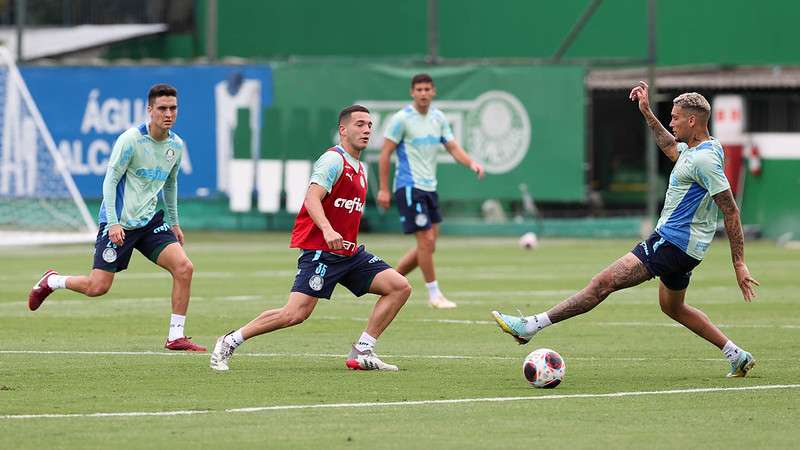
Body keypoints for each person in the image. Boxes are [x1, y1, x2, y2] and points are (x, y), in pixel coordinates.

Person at [492, 82, 760, 378]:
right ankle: (736, 354)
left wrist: (738, 263)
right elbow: (671, 147)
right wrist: (646, 112)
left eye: (675, 117)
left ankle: (531, 326)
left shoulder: (705, 160)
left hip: (672, 243)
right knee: (673, 308)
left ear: (692, 120)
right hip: (686, 248)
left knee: (602, 283)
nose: (671, 122)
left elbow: (731, 209)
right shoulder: (704, 149)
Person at [210, 105, 412, 372]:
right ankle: (229, 341)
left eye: (370, 125)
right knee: (295, 314)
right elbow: (311, 197)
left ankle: (363, 350)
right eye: (360, 124)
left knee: (399, 287)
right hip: (322, 251)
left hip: (349, 254)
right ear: (343, 130)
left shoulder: (360, 168)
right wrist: (327, 230)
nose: (366, 130)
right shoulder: (333, 161)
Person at [27, 84, 205, 352]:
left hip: (150, 222)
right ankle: (52, 281)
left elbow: (170, 185)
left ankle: (175, 336)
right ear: (150, 110)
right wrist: (112, 222)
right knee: (97, 287)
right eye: (162, 108)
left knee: (184, 268)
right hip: (119, 222)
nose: (168, 114)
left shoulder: (176, 146)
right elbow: (110, 182)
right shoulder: (131, 140)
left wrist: (175, 222)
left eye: (173, 108)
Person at [377, 73, 485, 309]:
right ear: (412, 92)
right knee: (425, 240)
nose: (423, 93)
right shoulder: (401, 119)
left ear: (433, 91)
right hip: (409, 187)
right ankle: (434, 295)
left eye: (427, 89)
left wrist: (471, 163)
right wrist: (384, 189)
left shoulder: (438, 118)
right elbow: (385, 154)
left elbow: (453, 147)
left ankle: (389, 280)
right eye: (419, 89)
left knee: (429, 244)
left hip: (430, 188)